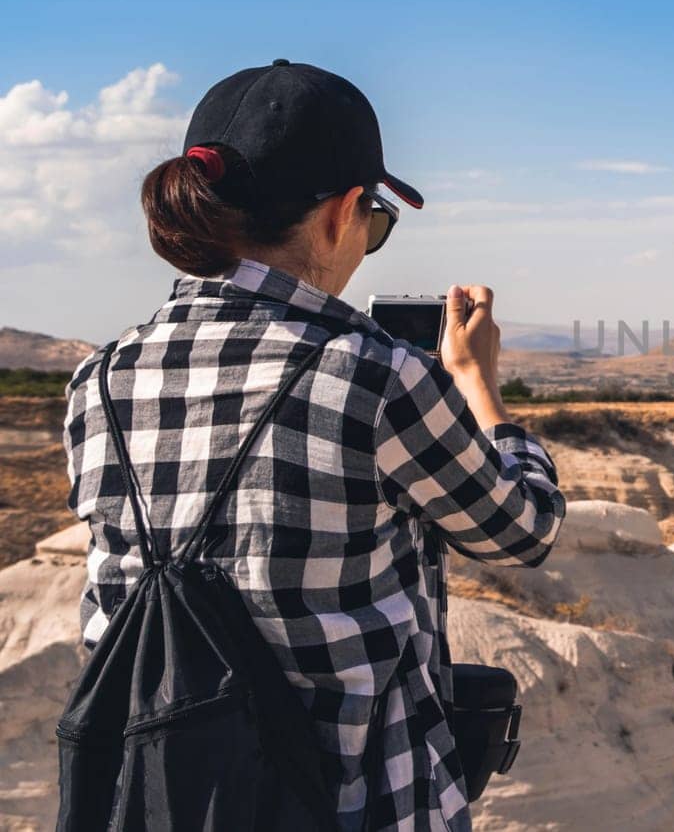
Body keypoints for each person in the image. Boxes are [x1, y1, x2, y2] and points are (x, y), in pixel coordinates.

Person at [62, 60, 565, 831]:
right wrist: (480, 389)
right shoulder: (375, 377)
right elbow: (522, 530)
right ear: (340, 214)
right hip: (356, 805)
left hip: (161, 798)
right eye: (378, 220)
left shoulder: (99, 381)